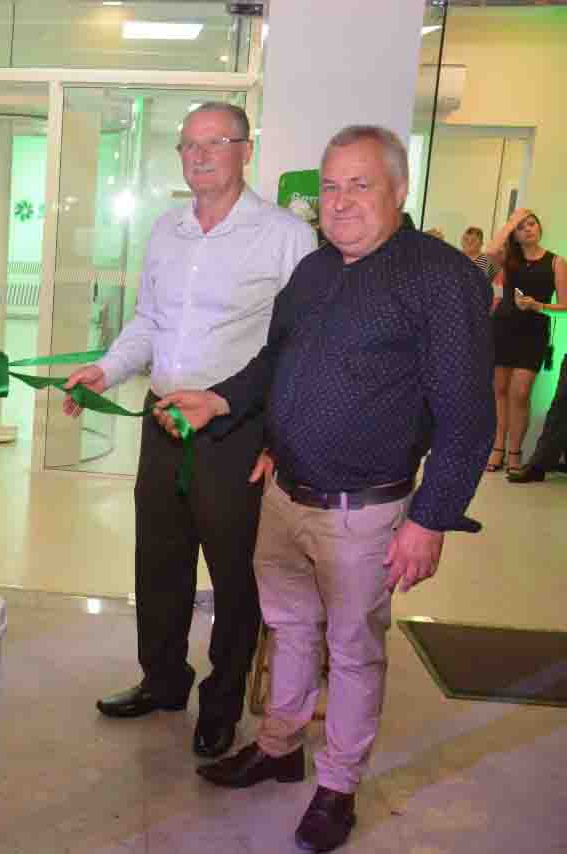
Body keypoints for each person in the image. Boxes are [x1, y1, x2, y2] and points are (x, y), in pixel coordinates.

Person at [159, 125, 493, 853]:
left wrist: (431, 518)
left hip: (364, 512)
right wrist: (220, 401)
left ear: (399, 189)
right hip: (284, 495)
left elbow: (469, 416)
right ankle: (280, 746)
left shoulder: (440, 279)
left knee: (352, 651)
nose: (340, 202)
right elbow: (275, 364)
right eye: (331, 186)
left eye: (360, 185)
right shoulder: (313, 271)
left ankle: (337, 787)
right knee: (289, 629)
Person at [62, 102, 316, 760]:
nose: (199, 156)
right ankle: (163, 680)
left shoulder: (286, 237)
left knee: (236, 577)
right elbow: (148, 321)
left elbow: (299, 351)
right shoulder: (166, 230)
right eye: (188, 146)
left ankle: (221, 703)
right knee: (160, 562)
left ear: (246, 151)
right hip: (163, 422)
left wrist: (278, 440)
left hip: (237, 433)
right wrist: (107, 369)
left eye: (215, 143)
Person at [483, 209, 567, 474]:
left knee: (520, 393)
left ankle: (515, 451)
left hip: (533, 332)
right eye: (521, 227)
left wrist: (538, 305)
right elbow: (490, 252)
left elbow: (565, 306)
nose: (528, 229)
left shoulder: (556, 262)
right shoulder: (509, 258)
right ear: (515, 236)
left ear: (539, 228)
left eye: (532, 224)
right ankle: (497, 448)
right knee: (499, 390)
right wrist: (511, 222)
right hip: (503, 328)